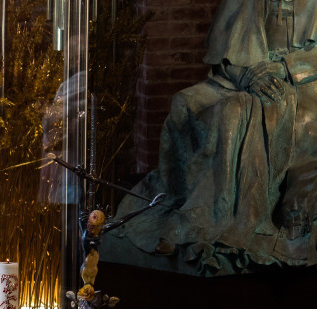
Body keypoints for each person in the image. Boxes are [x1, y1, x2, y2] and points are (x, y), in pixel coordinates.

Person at [108, 0, 317, 272]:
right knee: (184, 102)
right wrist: (245, 76)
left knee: (235, 112)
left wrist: (285, 68)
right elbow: (227, 52)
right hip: (245, 78)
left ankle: (210, 222)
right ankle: (176, 202)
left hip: (303, 83)